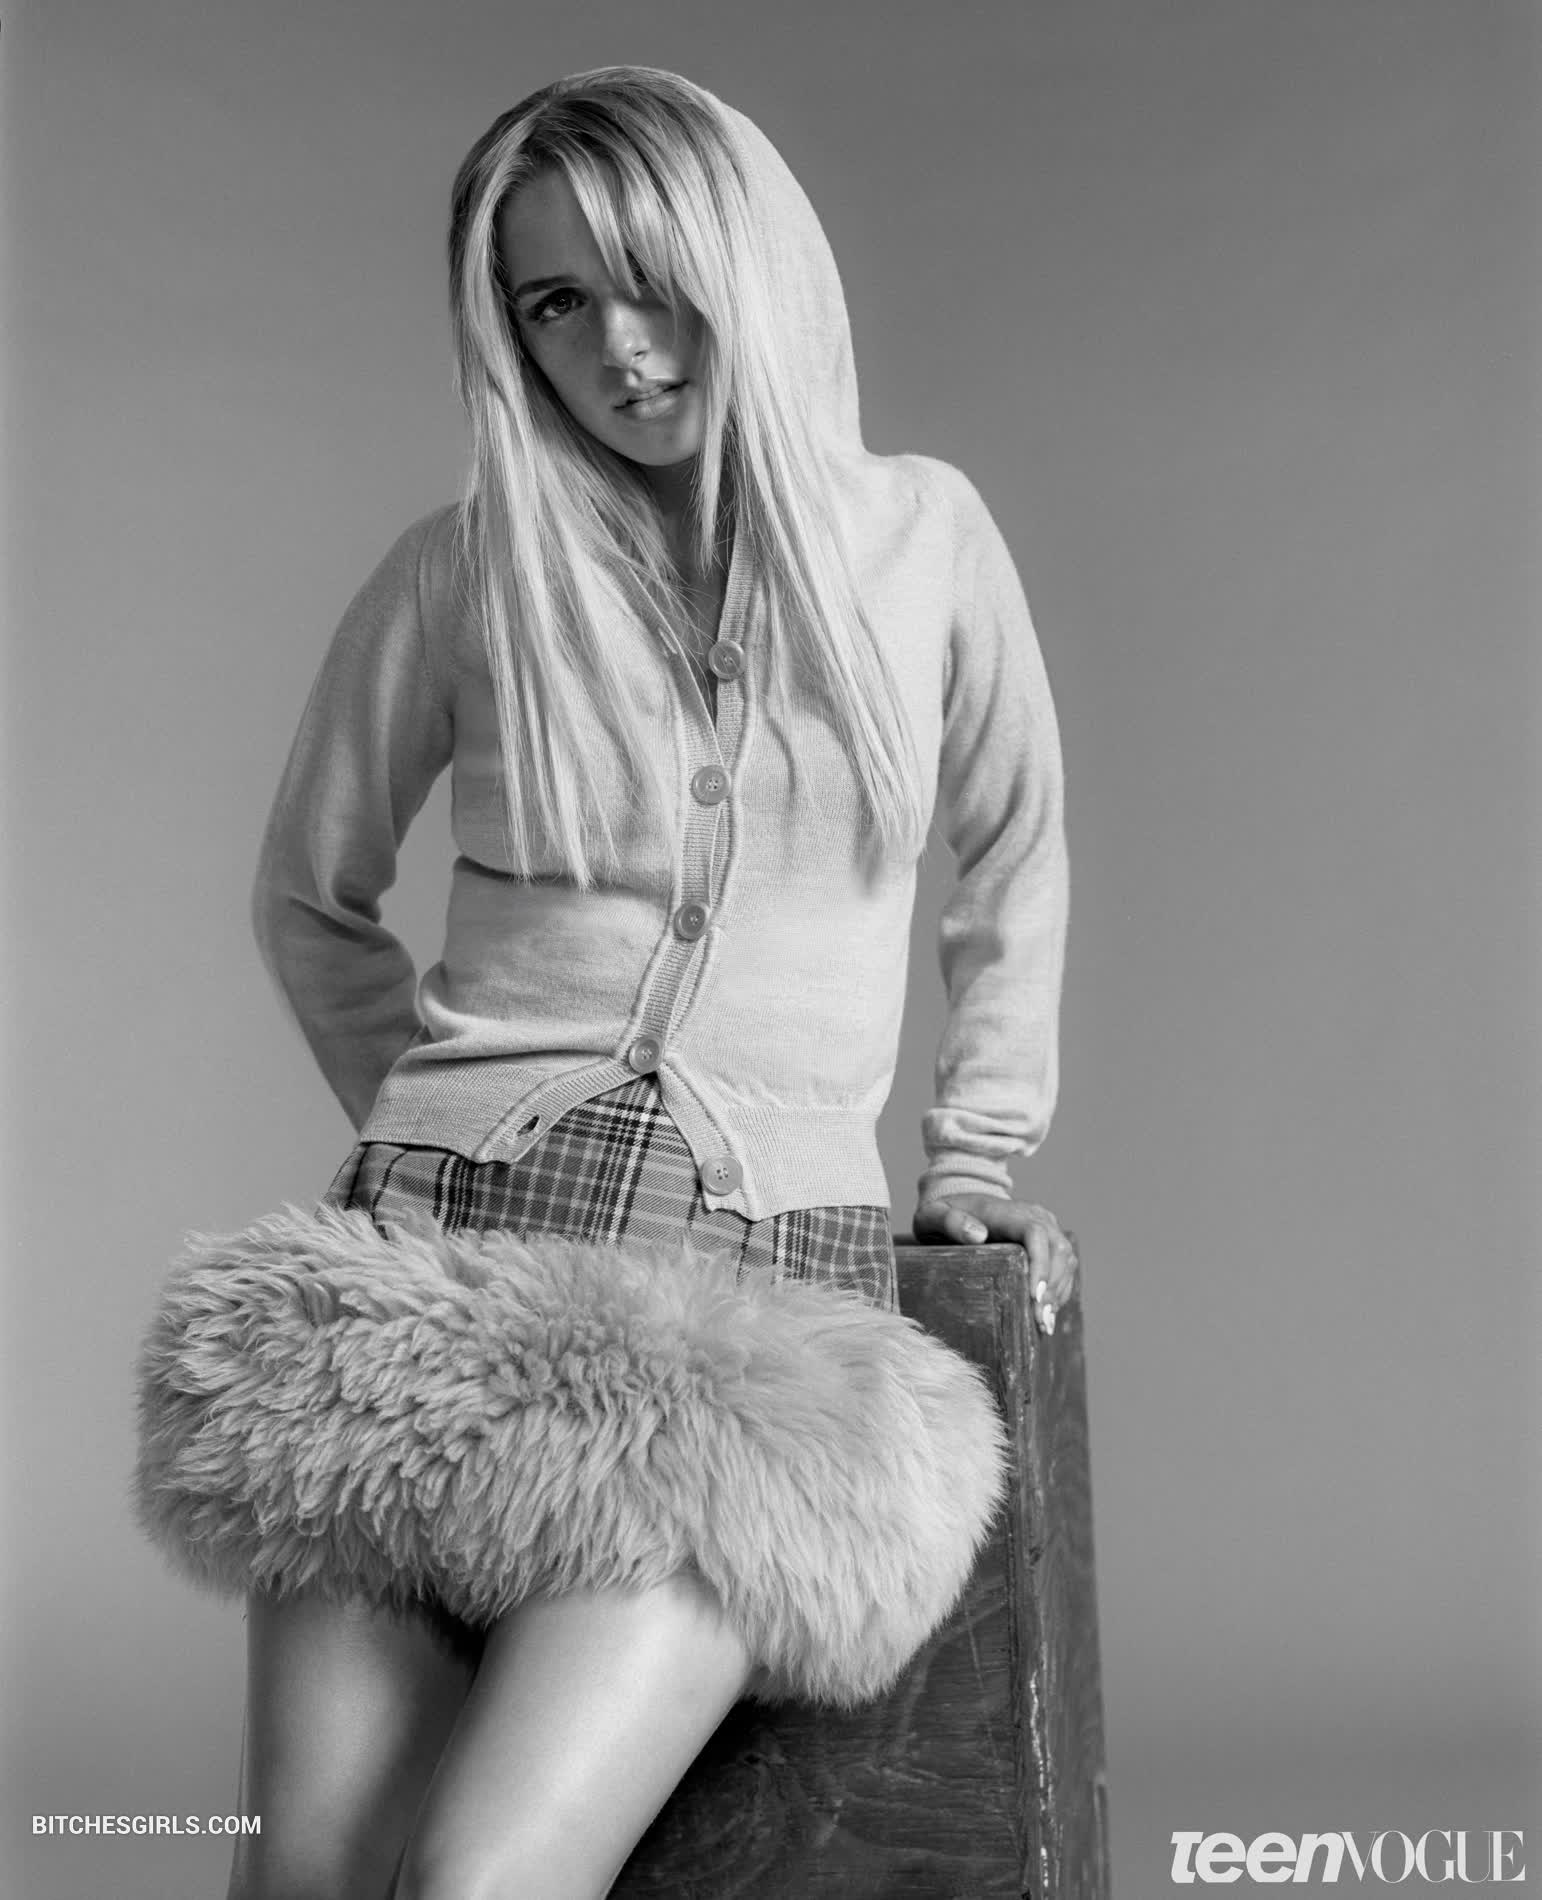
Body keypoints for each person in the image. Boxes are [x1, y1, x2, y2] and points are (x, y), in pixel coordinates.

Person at [132, 63, 1078, 1900]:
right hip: (412, 1292)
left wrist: (974, 1150)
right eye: (555, 303)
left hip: (736, 1333)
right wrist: (452, 1119)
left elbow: (1014, 851)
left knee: (481, 1879)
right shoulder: (466, 569)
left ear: (751, 268)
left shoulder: (921, 541)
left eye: (653, 283)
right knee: (306, 1877)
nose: (618, 350)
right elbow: (308, 895)